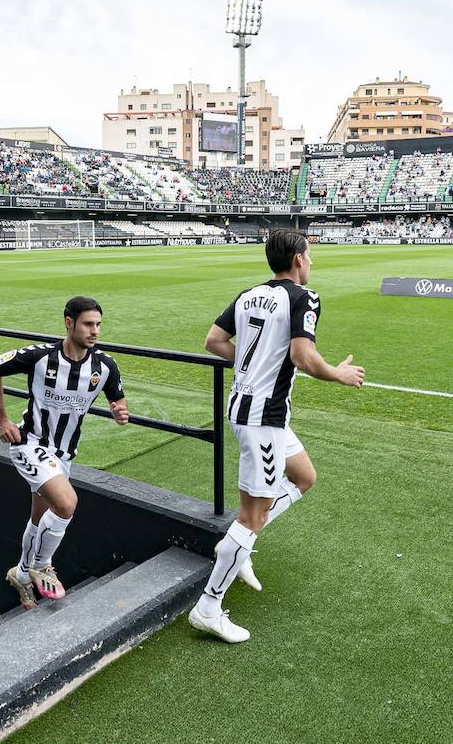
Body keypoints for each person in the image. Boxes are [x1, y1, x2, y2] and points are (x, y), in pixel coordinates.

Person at [189, 229, 364, 643]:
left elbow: (215, 341)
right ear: (299, 259)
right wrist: (338, 373)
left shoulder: (249, 294)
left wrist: (255, 361)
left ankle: (241, 542)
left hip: (252, 409)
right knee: (253, 515)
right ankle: (208, 606)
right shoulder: (305, 297)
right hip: (262, 416)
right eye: (310, 255)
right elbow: (303, 357)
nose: (312, 262)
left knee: (304, 477)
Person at [0, 297, 127, 608]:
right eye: (88, 324)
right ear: (69, 323)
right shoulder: (39, 357)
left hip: (64, 454)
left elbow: (118, 398)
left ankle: (21, 574)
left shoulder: (105, 366)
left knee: (39, 519)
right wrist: (1, 420)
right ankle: (41, 565)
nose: (95, 331)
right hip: (30, 443)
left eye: (98, 325)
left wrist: (119, 412)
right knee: (66, 503)